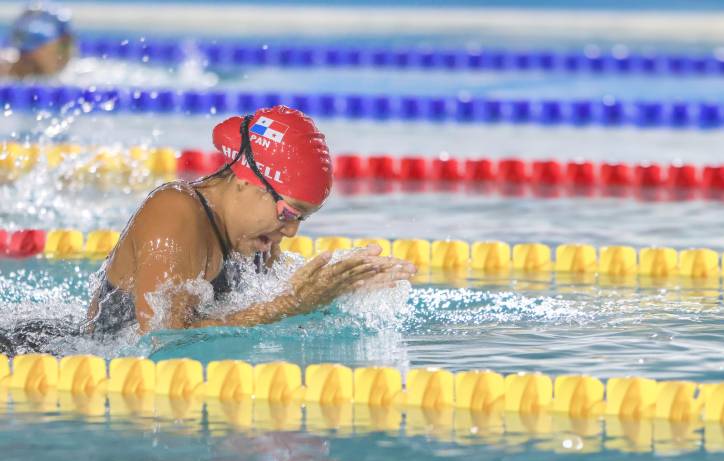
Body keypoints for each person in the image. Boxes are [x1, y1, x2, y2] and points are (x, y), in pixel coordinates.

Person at [0, 105, 416, 354]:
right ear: (248, 181)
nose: (291, 232)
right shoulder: (175, 212)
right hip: (41, 356)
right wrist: (288, 306)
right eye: (290, 212)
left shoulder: (252, 237)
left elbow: (279, 292)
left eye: (301, 219)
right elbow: (162, 337)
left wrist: (337, 285)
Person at [0, 3, 75, 78]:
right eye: (24, 51)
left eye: (38, 47)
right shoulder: (8, 68)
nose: (28, 56)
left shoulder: (74, 75)